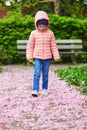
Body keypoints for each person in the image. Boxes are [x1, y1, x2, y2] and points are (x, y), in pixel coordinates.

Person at [26, 10, 60, 97]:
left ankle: (44, 89)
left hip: (47, 57)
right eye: (40, 26)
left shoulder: (50, 33)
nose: (42, 27)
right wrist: (29, 56)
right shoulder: (33, 33)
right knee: (37, 73)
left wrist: (56, 55)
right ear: (37, 25)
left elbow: (53, 46)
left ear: (47, 25)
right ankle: (35, 89)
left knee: (45, 73)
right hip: (37, 57)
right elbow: (30, 45)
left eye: (44, 25)